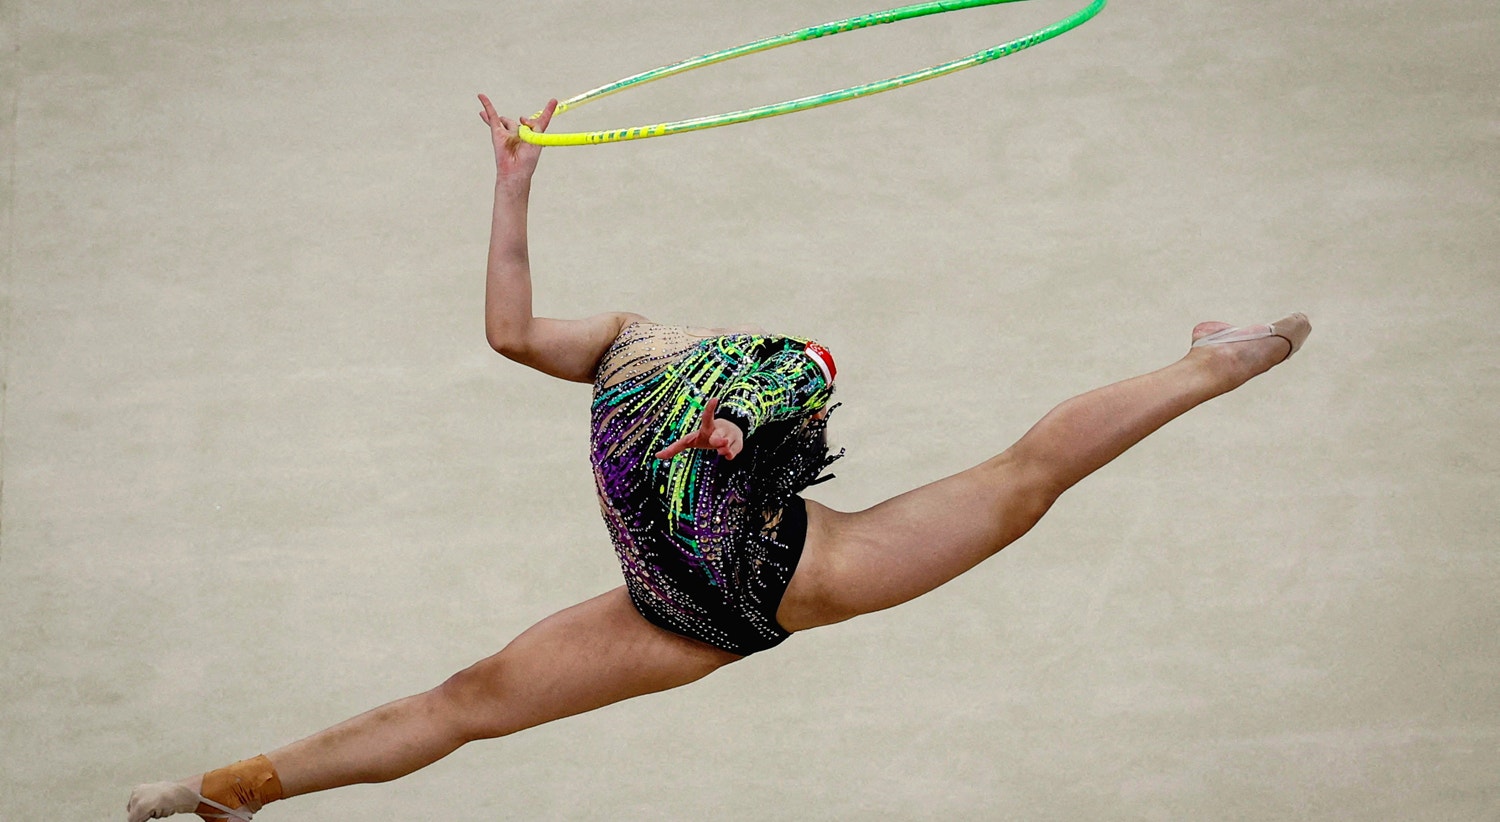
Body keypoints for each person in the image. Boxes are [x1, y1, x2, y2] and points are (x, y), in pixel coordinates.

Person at [127, 96, 1311, 821]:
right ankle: (230, 788)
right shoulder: (623, 342)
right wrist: (514, 186)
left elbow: (784, 395)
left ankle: (1216, 362)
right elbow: (506, 332)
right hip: (663, 612)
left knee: (1020, 484)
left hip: (783, 577)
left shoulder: (768, 371)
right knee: (464, 703)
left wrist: (730, 436)